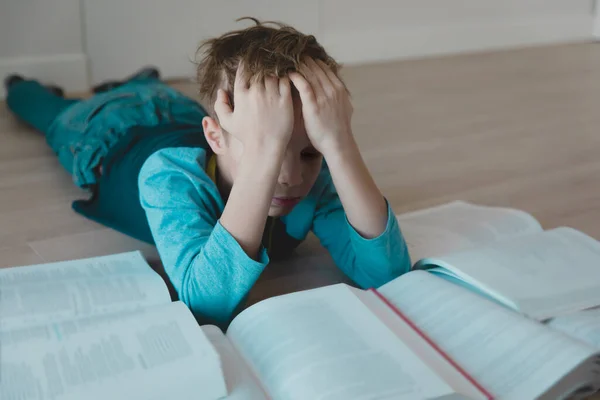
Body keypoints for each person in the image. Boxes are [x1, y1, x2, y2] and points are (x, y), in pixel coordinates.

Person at [4, 18, 411, 326]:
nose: (289, 176)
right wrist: (266, 149)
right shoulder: (168, 177)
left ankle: (145, 81)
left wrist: (340, 145)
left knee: (160, 93)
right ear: (216, 137)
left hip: (179, 112)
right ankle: (21, 83)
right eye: (264, 147)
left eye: (310, 152)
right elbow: (205, 302)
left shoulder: (314, 179)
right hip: (108, 131)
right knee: (47, 112)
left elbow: (389, 272)